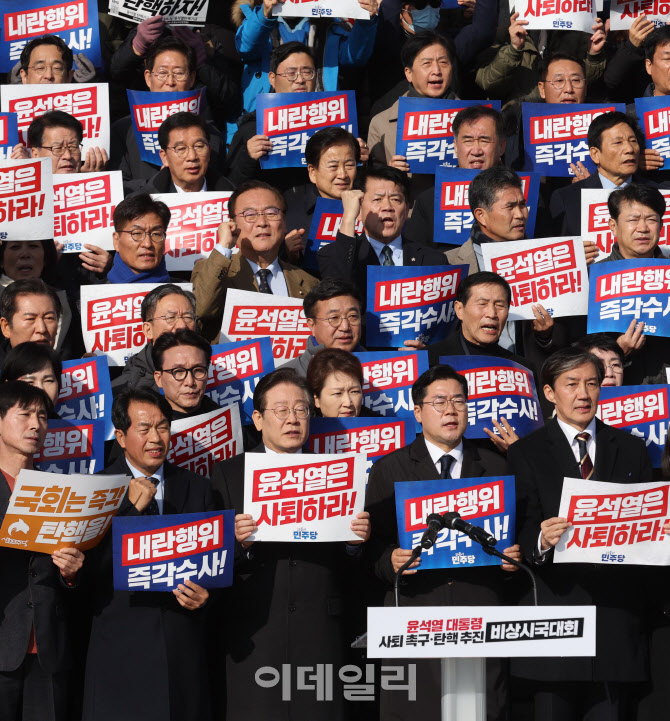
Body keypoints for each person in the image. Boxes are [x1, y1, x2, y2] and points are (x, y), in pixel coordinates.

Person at [209, 367, 370, 720]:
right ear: (257, 419)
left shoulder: (337, 474)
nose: (292, 419)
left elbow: (352, 568)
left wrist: (354, 543)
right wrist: (238, 544)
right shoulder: (229, 473)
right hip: (254, 632)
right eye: (281, 410)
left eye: (300, 409)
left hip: (321, 631)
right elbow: (212, 559)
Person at [365, 364, 519, 721]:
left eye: (459, 401)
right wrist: (389, 560)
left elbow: (515, 538)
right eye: (439, 402)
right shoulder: (391, 469)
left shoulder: (496, 467)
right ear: (418, 412)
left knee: (480, 710)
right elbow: (372, 550)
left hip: (479, 612)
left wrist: (512, 560)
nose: (451, 410)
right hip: (418, 616)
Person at [508, 347, 652, 721]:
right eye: (571, 384)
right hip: (555, 614)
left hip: (614, 618)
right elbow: (519, 527)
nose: (583, 394)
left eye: (591, 383)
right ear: (550, 393)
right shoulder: (526, 452)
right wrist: (540, 540)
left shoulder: (633, 449)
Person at [83, 388, 214, 721]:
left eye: (163, 427)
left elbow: (216, 565)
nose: (156, 437)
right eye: (144, 429)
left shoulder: (198, 488)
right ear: (121, 437)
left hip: (181, 649)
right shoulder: (95, 488)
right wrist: (129, 509)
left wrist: (206, 597)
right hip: (119, 650)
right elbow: (87, 572)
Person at [0, 380, 84, 721]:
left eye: (43, 416)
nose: (36, 424)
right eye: (25, 414)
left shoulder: (60, 490)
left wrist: (71, 573)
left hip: (49, 649)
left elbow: (72, 584)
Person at [191, 180, 319, 342]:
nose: (262, 223)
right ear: (232, 223)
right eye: (250, 215)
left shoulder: (309, 283)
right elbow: (201, 309)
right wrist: (224, 245)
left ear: (285, 221)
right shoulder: (214, 271)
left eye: (271, 213)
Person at [109, 35, 233, 188]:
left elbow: (220, 183)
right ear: (148, 78)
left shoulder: (208, 131)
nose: (170, 81)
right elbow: (119, 187)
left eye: (179, 73)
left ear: (192, 78)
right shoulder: (123, 129)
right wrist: (159, 183)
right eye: (162, 73)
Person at [317, 166, 449, 294]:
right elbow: (337, 293)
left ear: (406, 208)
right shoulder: (333, 255)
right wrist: (348, 217)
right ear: (359, 210)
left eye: (395, 199)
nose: (387, 207)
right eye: (377, 199)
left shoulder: (433, 261)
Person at [403, 104, 508, 245]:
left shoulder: (524, 193)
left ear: (501, 147)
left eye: (484, 140)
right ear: (456, 147)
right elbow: (415, 257)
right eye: (468, 141)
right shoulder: (429, 201)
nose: (476, 150)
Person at [549, 111, 657, 237]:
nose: (629, 149)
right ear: (595, 154)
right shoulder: (567, 198)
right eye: (618, 143)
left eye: (633, 141)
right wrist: (576, 251)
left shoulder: (659, 192)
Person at [367, 31, 457, 170]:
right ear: (409, 73)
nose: (436, 70)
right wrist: (390, 174)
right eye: (427, 63)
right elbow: (373, 180)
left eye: (443, 62)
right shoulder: (381, 124)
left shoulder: (474, 118)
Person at [283, 127, 362, 259]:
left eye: (349, 165)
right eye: (333, 166)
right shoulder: (290, 213)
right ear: (312, 172)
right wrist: (286, 254)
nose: (342, 174)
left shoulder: (370, 208)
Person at [0, 239, 83, 359]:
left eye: (33, 246)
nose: (25, 254)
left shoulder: (66, 300)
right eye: (15, 247)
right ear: (5, 326)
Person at [111, 284, 199, 392]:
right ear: (148, 330)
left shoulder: (216, 374)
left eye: (188, 317)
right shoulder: (124, 391)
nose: (182, 325)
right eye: (170, 317)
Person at [284, 278, 364, 376]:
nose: (345, 327)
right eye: (334, 318)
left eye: (353, 316)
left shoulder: (383, 369)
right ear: (312, 325)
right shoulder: (288, 379)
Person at [140, 112, 233, 195]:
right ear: (164, 157)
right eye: (181, 149)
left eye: (199, 146)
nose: (192, 157)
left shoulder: (231, 196)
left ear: (209, 151)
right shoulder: (145, 205)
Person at [152, 329, 220, 420]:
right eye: (178, 371)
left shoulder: (230, 422)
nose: (190, 382)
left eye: (198, 370)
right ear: (158, 379)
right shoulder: (149, 428)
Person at [109, 194, 176, 285]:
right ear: (116, 240)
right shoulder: (95, 296)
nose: (147, 244)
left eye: (156, 234)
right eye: (137, 233)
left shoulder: (184, 294)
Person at [0, 279, 62, 366]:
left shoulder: (70, 373)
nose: (41, 329)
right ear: (6, 327)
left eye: (49, 318)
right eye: (30, 319)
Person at [307, 347, 377, 417]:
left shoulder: (382, 424)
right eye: (337, 393)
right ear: (316, 400)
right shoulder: (303, 426)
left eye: (354, 392)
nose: (348, 403)